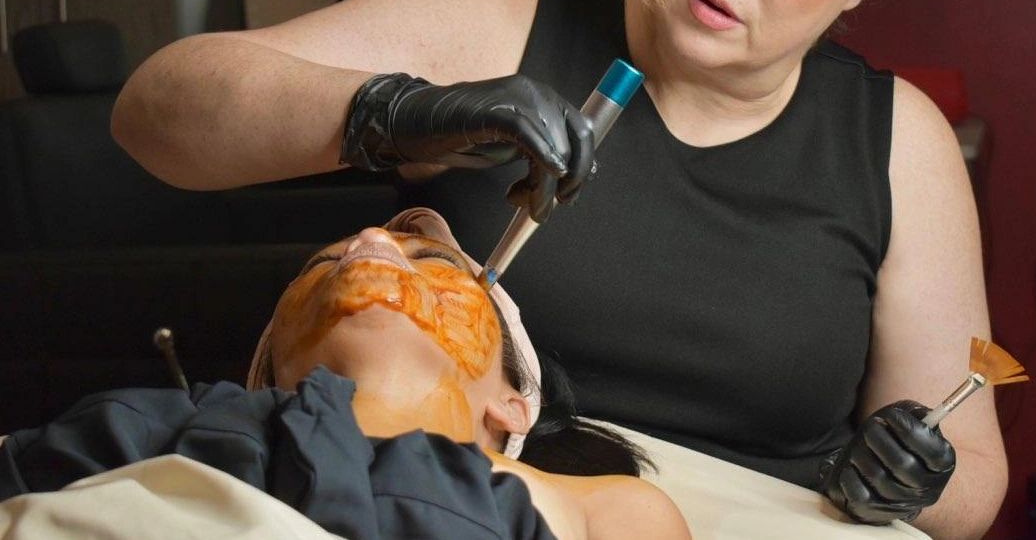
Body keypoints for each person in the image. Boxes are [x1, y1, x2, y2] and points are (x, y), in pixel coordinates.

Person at [111, 0, 1007, 536]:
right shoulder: (502, 22)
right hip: (468, 513)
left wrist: (910, 480)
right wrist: (393, 114)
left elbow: (971, 478)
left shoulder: (899, 145)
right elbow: (153, 113)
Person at [0, 208, 689, 540]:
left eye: (431, 264)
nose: (370, 241)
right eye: (324, 267)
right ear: (267, 381)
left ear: (513, 404)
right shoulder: (154, 428)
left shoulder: (599, 506)